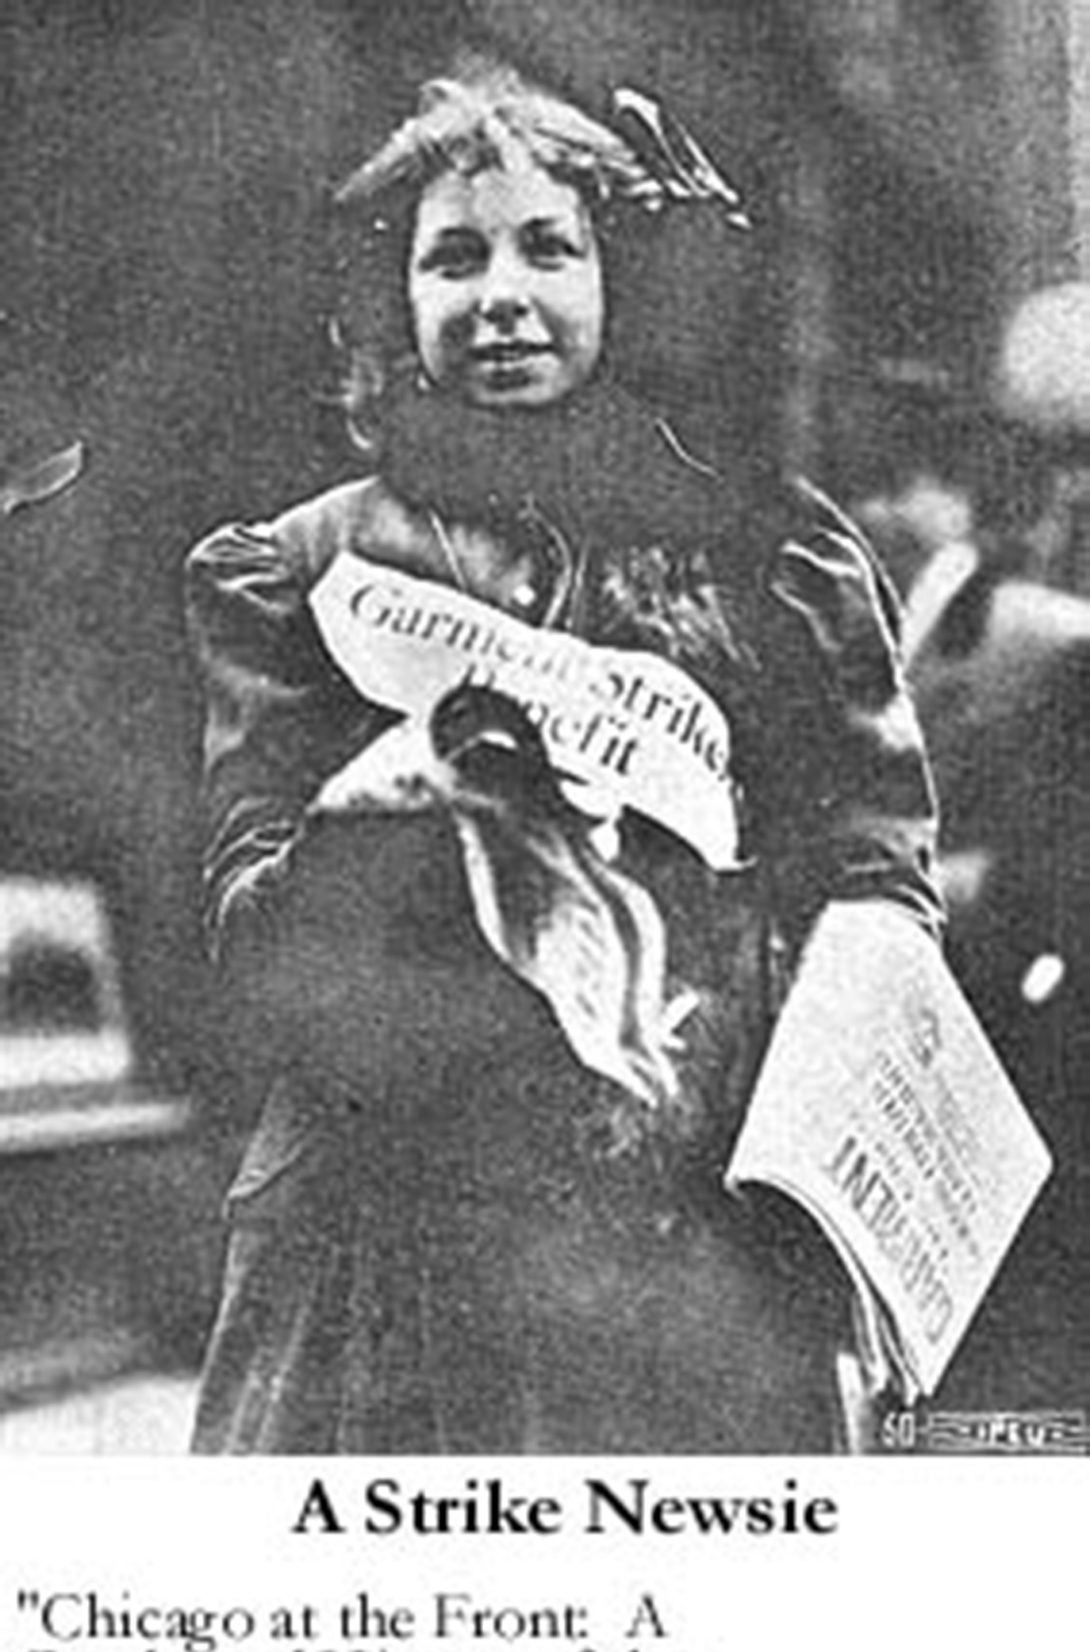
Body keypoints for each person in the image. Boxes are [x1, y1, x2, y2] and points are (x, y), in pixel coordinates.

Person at [186, 58, 941, 1455]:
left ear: (620, 283)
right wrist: (374, 806)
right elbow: (243, 951)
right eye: (450, 258)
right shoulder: (294, 572)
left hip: (693, 1259)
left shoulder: (770, 559)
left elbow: (874, 876)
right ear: (393, 305)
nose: (500, 297)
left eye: (549, 247)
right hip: (388, 1273)